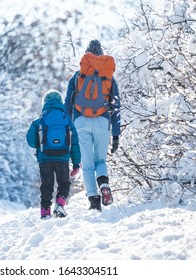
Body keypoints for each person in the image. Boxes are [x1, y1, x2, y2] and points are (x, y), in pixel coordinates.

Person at [64, 39, 121, 212]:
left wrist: (68, 130)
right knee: (100, 161)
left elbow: (68, 104)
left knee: (87, 165)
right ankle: (103, 183)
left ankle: (94, 202)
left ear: (87, 55)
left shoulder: (77, 76)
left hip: (81, 122)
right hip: (103, 121)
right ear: (102, 54)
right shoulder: (109, 77)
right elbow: (116, 106)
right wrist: (116, 133)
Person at [26, 90, 81, 219]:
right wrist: (76, 163)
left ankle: (45, 213)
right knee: (64, 183)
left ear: (45, 103)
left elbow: (30, 140)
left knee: (46, 186)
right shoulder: (67, 121)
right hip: (62, 158)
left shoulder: (39, 121)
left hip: (45, 158)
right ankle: (59, 205)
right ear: (60, 102)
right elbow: (75, 144)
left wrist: (40, 144)